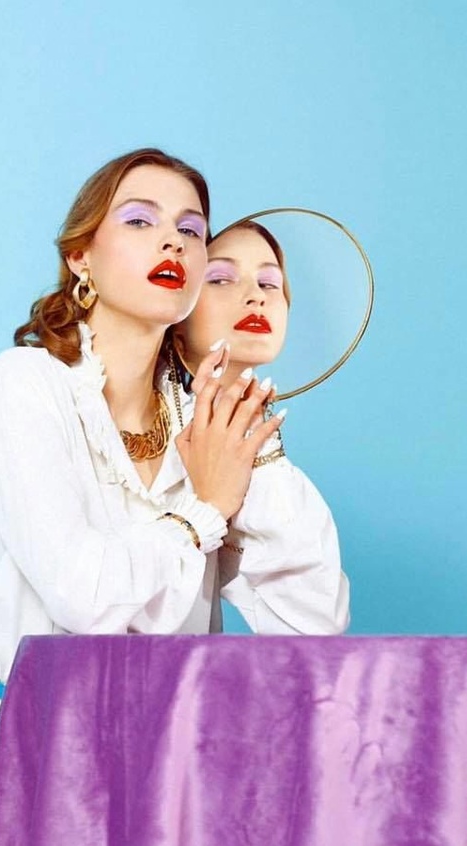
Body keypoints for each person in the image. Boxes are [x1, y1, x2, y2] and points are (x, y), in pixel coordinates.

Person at [0, 150, 286, 846]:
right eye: (141, 220)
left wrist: (263, 455)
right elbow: (83, 596)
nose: (173, 240)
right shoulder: (28, 384)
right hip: (18, 766)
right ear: (81, 256)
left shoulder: (209, 423)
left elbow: (305, 621)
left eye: (192, 230)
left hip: (162, 778)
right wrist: (201, 514)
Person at [171, 218, 350, 635]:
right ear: (177, 314)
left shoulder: (267, 466)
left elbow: (314, 628)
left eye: (270, 283)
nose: (256, 296)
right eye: (220, 279)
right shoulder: (126, 422)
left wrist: (258, 451)